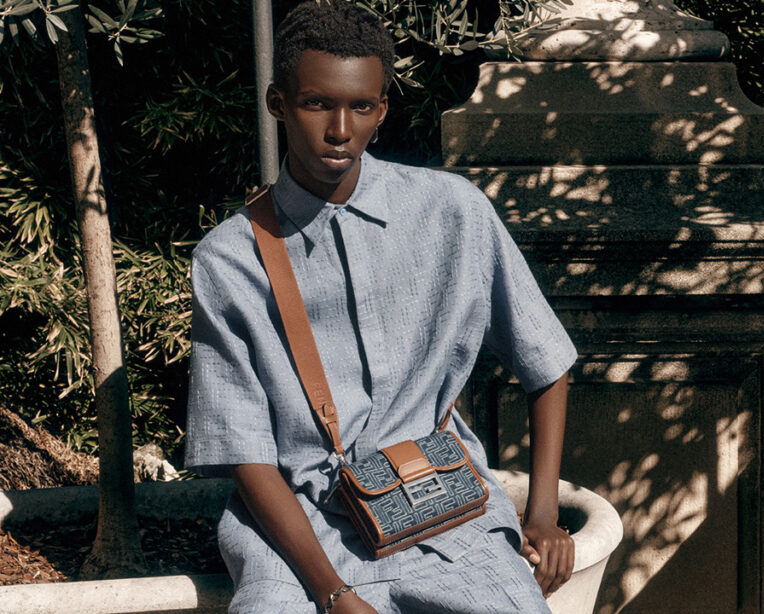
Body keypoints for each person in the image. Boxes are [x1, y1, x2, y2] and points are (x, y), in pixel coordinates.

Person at [184, 2, 577, 613]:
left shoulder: (453, 211)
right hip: (298, 538)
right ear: (278, 103)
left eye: (361, 106)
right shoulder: (230, 259)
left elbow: (546, 360)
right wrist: (333, 593)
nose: (340, 129)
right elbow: (246, 452)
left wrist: (544, 514)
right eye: (317, 103)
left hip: (449, 512)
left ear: (382, 109)